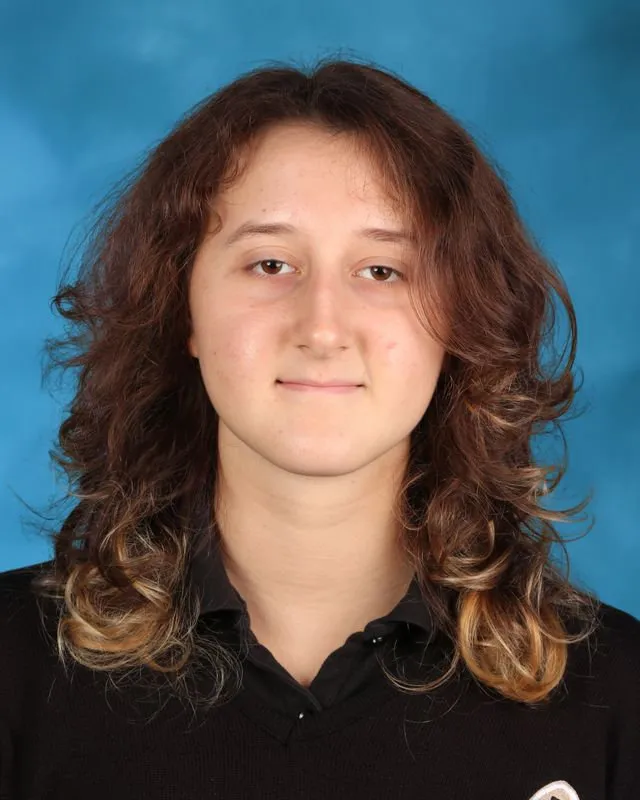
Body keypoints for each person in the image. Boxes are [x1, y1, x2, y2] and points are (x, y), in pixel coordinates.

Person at [0, 56, 638, 800]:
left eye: (382, 271)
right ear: (183, 309)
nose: (323, 327)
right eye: (270, 263)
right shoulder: (14, 671)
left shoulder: (617, 699)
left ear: (460, 320)